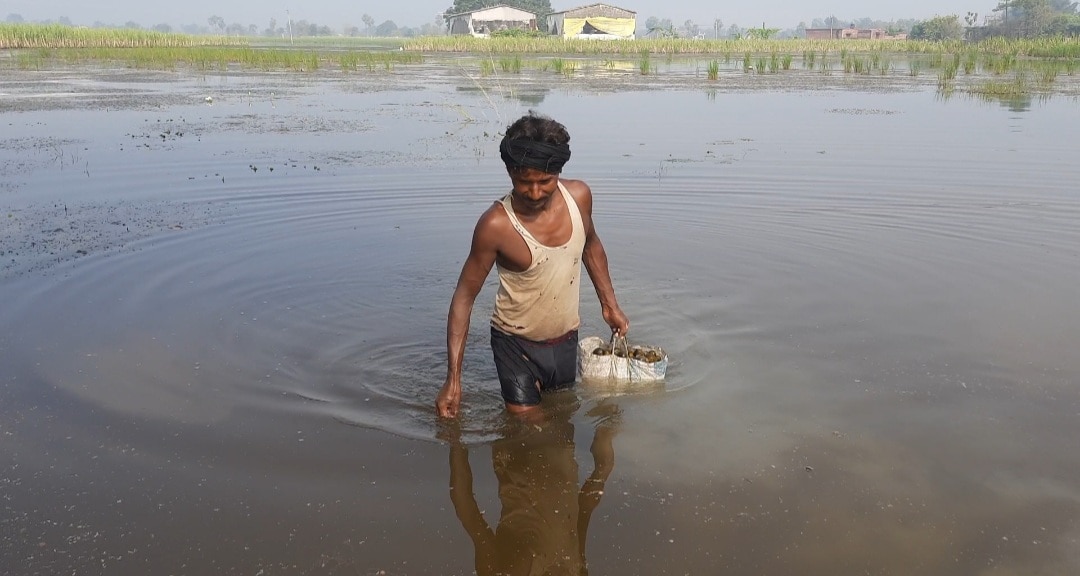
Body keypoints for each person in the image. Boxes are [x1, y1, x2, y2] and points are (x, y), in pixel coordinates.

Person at [436, 112, 629, 418]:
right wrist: (453, 379)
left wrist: (610, 305)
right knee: (528, 427)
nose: (535, 192)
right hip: (514, 344)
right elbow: (463, 298)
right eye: (524, 182)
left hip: (566, 338)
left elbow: (591, 245)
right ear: (511, 173)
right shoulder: (496, 225)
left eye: (545, 182)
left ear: (559, 172)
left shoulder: (579, 197)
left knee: (561, 423)